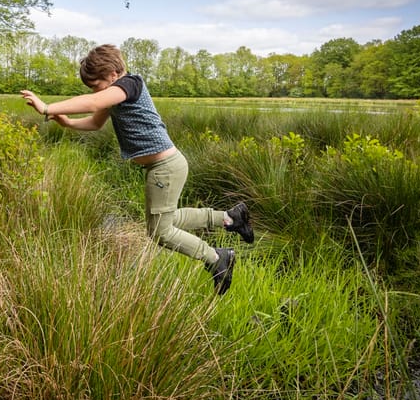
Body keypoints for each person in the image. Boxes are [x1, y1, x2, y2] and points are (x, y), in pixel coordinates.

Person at [20, 44, 254, 295]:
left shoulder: (130, 84)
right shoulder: (115, 94)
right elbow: (95, 122)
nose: (95, 90)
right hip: (163, 167)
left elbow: (93, 102)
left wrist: (47, 108)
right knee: (168, 219)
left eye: (96, 84)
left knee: (159, 232)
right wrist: (68, 123)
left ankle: (216, 258)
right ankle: (229, 218)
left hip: (166, 168)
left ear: (112, 74)